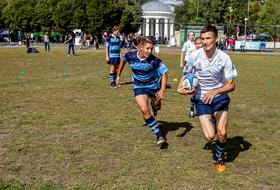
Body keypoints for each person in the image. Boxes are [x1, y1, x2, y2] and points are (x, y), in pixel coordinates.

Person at [177, 25, 238, 172]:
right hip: (201, 98)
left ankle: (218, 157)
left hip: (219, 97)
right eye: (203, 39)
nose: (205, 42)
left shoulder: (224, 57)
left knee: (222, 132)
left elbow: (232, 84)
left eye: (208, 38)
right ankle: (211, 119)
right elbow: (187, 74)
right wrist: (181, 87)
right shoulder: (194, 56)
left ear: (215, 39)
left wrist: (215, 91)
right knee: (210, 136)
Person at [116, 36, 168, 146]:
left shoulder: (154, 60)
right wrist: (118, 76)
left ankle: (154, 105)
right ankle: (159, 135)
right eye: (147, 48)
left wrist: (162, 90)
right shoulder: (130, 55)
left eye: (151, 49)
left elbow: (164, 74)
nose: (150, 51)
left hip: (153, 86)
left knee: (157, 106)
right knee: (144, 110)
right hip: (139, 86)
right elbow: (123, 60)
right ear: (140, 47)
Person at [180, 36, 203, 118]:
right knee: (193, 94)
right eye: (196, 44)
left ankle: (199, 111)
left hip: (202, 79)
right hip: (193, 78)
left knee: (199, 96)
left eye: (200, 43)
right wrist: (186, 75)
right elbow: (188, 67)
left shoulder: (205, 54)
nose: (198, 45)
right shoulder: (193, 54)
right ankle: (191, 110)